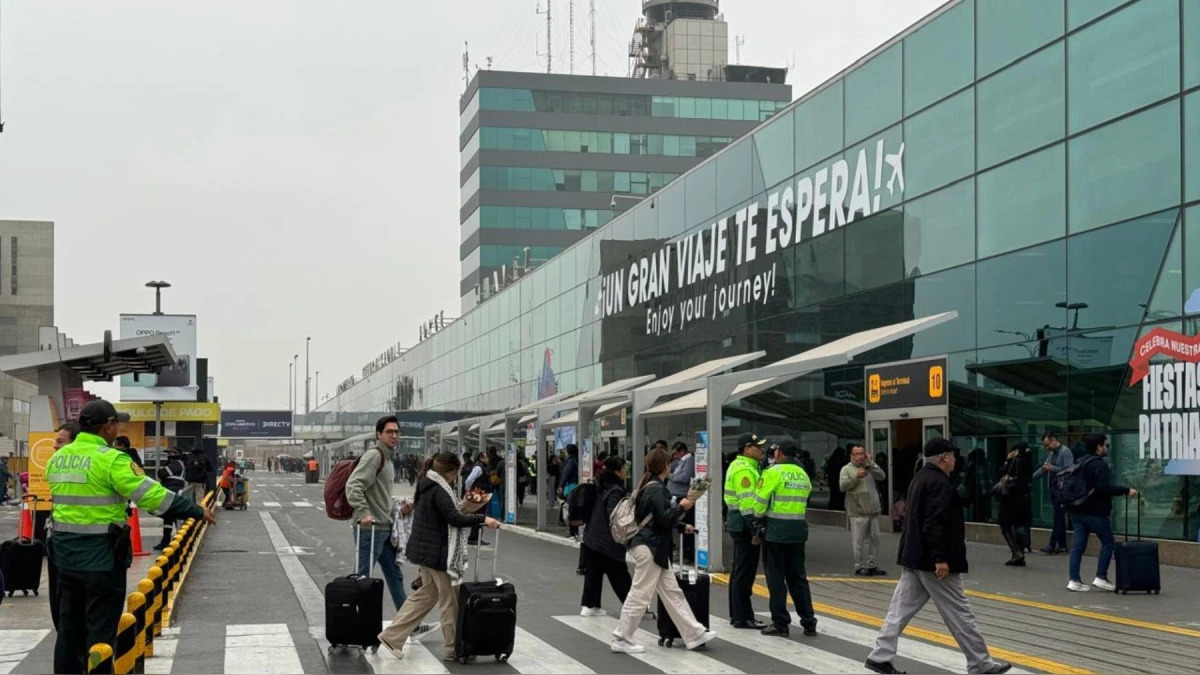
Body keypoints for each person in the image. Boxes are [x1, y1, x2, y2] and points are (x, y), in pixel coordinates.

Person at [47, 399, 214, 674]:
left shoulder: (58, 458)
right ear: (109, 426)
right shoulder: (111, 459)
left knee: (69, 629)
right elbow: (152, 496)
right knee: (101, 632)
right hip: (101, 559)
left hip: (65, 559)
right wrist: (194, 509)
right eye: (116, 423)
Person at [865, 438, 1011, 675]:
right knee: (959, 612)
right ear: (944, 457)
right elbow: (934, 523)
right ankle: (980, 664)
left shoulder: (921, 478)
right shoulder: (938, 483)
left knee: (899, 610)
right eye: (953, 455)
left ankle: (880, 655)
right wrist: (941, 558)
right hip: (933, 562)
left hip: (914, 557)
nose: (956, 459)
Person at [377, 451, 500, 661]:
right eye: (456, 473)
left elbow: (445, 514)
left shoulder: (426, 483)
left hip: (427, 551)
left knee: (426, 596)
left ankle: (391, 636)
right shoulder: (439, 490)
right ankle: (453, 648)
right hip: (439, 554)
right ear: (451, 472)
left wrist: (464, 507)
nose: (456, 477)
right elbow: (453, 518)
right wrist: (482, 518)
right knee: (449, 601)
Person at [610, 448, 716, 654]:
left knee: (672, 592)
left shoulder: (649, 486)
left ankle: (694, 634)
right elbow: (664, 517)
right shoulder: (656, 489)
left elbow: (657, 517)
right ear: (665, 465)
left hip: (653, 547)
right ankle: (622, 638)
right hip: (650, 547)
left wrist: (680, 525)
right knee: (640, 593)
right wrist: (684, 506)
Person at [752, 443, 817, 637]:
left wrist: (758, 516)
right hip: (798, 531)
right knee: (798, 578)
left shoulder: (773, 472)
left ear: (778, 453)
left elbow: (760, 502)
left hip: (776, 532)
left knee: (777, 579)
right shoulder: (802, 474)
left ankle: (780, 623)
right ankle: (809, 621)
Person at [347, 415, 408, 613]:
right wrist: (364, 513)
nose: (394, 435)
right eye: (389, 432)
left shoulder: (388, 459)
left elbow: (378, 493)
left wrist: (398, 505)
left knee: (395, 575)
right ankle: (354, 625)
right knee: (362, 579)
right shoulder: (374, 456)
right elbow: (353, 485)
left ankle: (409, 624)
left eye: (397, 432)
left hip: (385, 528)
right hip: (370, 529)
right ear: (379, 434)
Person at [1066, 432, 1137, 592]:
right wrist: (1126, 489)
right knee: (1108, 542)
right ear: (1099, 447)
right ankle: (1101, 577)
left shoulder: (1079, 461)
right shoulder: (1100, 464)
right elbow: (1103, 488)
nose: (1106, 448)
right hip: (1096, 512)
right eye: (1106, 445)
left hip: (1077, 510)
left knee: (1078, 547)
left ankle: (1074, 580)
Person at [723, 433, 767, 630]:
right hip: (744, 524)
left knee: (739, 570)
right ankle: (743, 616)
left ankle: (738, 614)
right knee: (744, 572)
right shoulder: (744, 470)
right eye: (757, 447)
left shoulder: (742, 466)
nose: (761, 450)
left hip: (737, 523)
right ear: (747, 449)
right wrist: (755, 527)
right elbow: (747, 502)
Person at [579, 455, 633, 617]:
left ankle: (589, 606)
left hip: (592, 536)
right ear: (617, 471)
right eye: (624, 469)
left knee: (594, 573)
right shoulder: (615, 490)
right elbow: (614, 514)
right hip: (607, 539)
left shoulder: (599, 484)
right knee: (619, 573)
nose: (625, 472)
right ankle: (634, 606)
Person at [840, 443, 887, 576]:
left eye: (862, 453)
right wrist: (856, 478)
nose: (860, 456)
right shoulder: (846, 469)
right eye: (857, 454)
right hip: (857, 510)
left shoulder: (869, 467)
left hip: (872, 510)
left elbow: (882, 476)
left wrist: (872, 464)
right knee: (858, 540)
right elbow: (842, 486)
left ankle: (872, 565)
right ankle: (858, 566)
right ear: (851, 456)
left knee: (875, 538)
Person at [1034, 433, 1074, 555]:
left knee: (1058, 517)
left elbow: (1069, 469)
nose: (1047, 448)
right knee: (1059, 517)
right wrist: (1032, 477)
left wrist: (1053, 468)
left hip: (1062, 490)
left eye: (1047, 444)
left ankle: (1052, 544)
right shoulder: (1052, 453)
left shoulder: (1065, 452)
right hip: (1053, 488)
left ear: (1054, 440)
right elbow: (1044, 468)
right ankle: (1061, 545)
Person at [995, 442, 1033, 567]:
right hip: (1024, 499)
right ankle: (1020, 554)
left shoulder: (1014, 461)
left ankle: (1016, 552)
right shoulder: (1028, 461)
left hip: (1011, 498)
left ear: (1016, 451)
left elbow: (1001, 472)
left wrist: (1007, 460)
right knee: (1019, 525)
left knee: (1004, 523)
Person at [667, 441, 696, 562]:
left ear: (682, 451)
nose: (675, 456)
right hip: (677, 497)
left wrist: (670, 476)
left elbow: (685, 477)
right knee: (680, 526)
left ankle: (688, 554)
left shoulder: (689, 461)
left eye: (676, 453)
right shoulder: (681, 462)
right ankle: (685, 553)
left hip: (683, 497)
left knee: (685, 526)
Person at [154, 448, 188, 551]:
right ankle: (166, 539)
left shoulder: (176, 463)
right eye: (168, 453)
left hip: (173, 492)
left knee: (172, 516)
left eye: (171, 453)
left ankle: (175, 539)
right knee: (168, 516)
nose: (169, 455)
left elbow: (162, 474)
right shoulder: (172, 463)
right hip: (168, 491)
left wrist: (162, 471)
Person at [559, 444, 580, 537]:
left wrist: (561, 486)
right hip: (579, 485)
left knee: (569, 507)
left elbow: (566, 474)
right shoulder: (578, 459)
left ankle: (572, 530)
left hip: (571, 486)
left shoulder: (570, 461)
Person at [824, 446, 847, 511]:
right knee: (840, 498)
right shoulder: (842, 462)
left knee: (833, 497)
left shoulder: (831, 461)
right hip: (839, 482)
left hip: (832, 483)